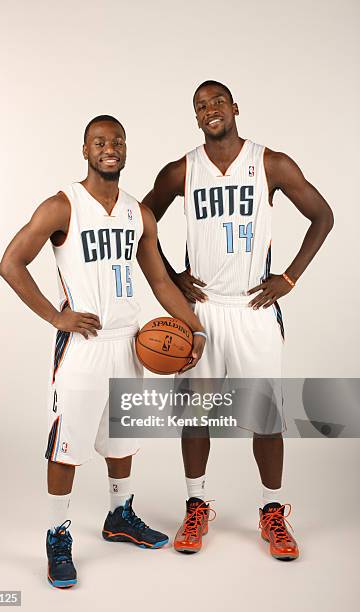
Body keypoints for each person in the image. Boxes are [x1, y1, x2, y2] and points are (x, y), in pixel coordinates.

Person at [0, 115, 206, 588]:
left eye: (117, 141)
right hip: (84, 347)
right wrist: (56, 317)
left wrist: (195, 329)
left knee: (121, 440)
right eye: (99, 142)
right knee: (66, 445)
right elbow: (11, 263)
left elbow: (159, 281)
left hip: (128, 342)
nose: (109, 148)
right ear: (85, 150)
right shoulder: (61, 206)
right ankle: (57, 534)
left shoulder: (138, 213)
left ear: (125, 149)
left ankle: (120, 515)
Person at [142, 81, 334, 560]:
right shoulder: (182, 169)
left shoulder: (270, 163)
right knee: (195, 415)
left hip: (253, 309)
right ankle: (196, 504)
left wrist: (288, 277)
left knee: (265, 417)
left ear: (234, 107)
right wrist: (170, 276)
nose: (211, 110)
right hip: (202, 309)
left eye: (218, 102)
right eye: (201, 106)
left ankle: (272, 512)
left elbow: (322, 216)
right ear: (196, 116)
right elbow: (142, 220)